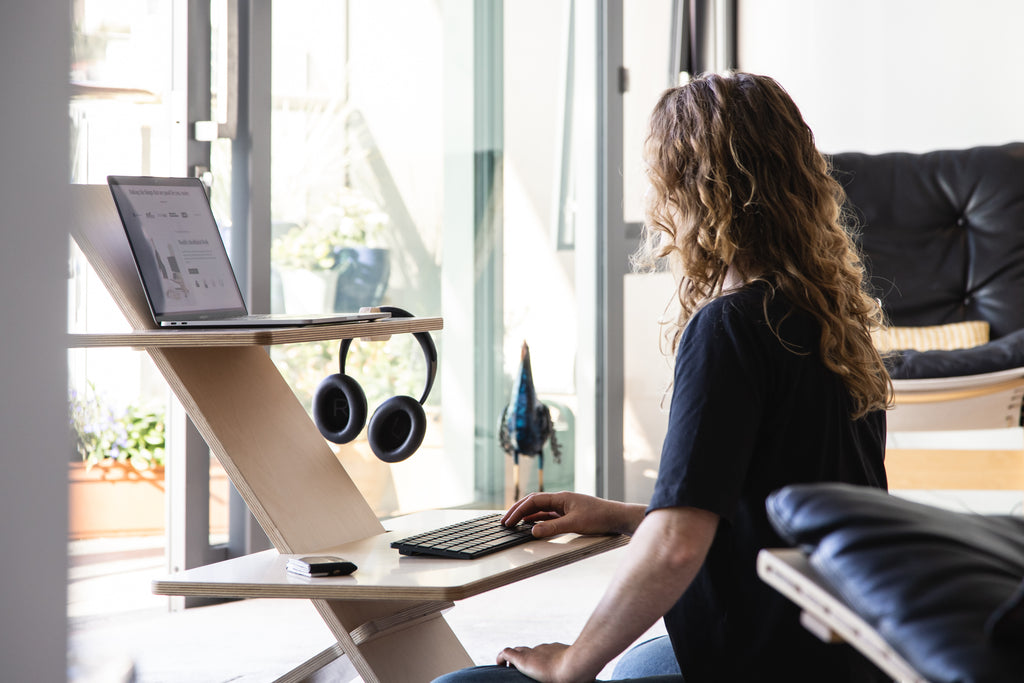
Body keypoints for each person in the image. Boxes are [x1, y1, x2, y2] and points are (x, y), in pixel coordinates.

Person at [434, 71, 891, 683]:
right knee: (640, 660)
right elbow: (771, 502)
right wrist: (629, 515)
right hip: (843, 653)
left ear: (690, 191)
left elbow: (677, 547)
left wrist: (570, 664)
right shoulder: (831, 322)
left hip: (761, 662)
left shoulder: (728, 326)